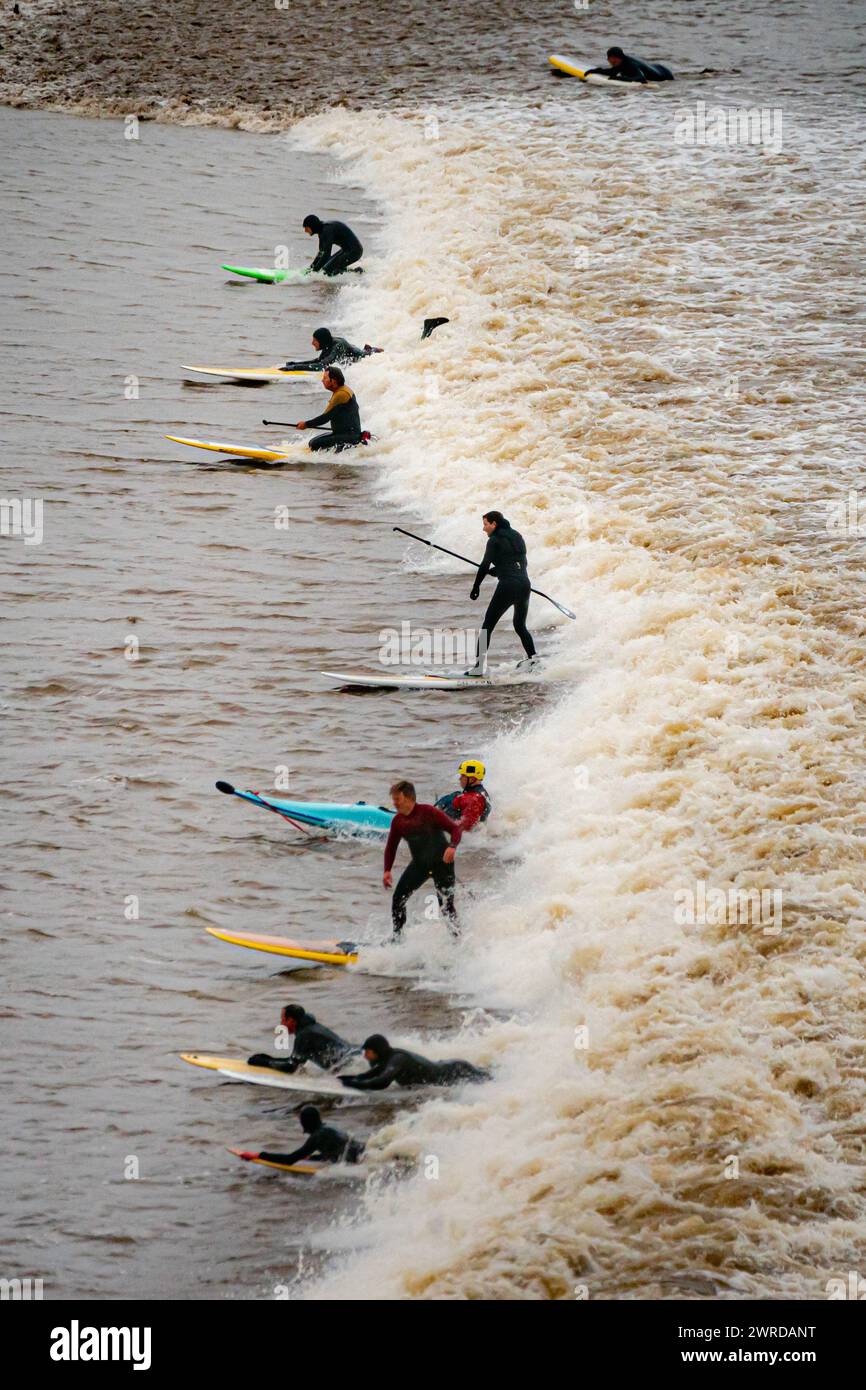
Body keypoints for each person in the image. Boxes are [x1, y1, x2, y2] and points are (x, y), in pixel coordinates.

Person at [383, 779, 462, 936]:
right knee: (398, 899)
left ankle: (457, 940)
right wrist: (387, 870)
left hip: (442, 864)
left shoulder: (428, 812)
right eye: (393, 799)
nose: (394, 803)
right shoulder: (398, 821)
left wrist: (452, 846)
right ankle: (397, 938)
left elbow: (455, 829)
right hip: (419, 865)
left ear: (409, 798)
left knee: (445, 904)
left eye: (397, 799)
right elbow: (391, 846)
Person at [467, 511, 537, 673]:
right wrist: (498, 570)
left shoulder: (494, 540)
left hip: (508, 586)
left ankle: (478, 668)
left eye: (485, 524)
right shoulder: (517, 536)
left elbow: (484, 565)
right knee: (520, 625)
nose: (484, 529)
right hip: (524, 584)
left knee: (487, 626)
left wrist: (476, 586)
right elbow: (520, 562)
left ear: (494, 524)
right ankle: (533, 659)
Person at [340, 1035, 490, 1091]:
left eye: (368, 1051)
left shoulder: (397, 1059)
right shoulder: (387, 1057)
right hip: (447, 1067)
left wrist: (355, 1085)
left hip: (455, 1071)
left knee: (490, 1082)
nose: (365, 1055)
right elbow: (375, 1072)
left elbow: (383, 1081)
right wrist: (352, 1078)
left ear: (377, 1051)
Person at [237, 1105, 365, 1167]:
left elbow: (289, 1160)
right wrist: (310, 1158)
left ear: (305, 1123)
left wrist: (258, 1155)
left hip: (360, 1160)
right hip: (364, 1152)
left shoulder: (317, 1136)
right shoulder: (329, 1127)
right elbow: (335, 1152)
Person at [247, 1004, 359, 1074]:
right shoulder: (312, 1028)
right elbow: (296, 1061)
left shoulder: (304, 1035)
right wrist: (270, 1058)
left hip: (351, 1066)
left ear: (291, 1020)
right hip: (355, 1058)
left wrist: (264, 1062)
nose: (281, 1023)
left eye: (282, 1020)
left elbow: (290, 1067)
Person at [294, 366, 365, 452]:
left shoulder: (341, 394)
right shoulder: (343, 389)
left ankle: (338, 452)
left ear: (334, 381)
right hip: (348, 434)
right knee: (313, 442)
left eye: (325, 378)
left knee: (314, 444)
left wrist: (306, 424)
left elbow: (325, 418)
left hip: (349, 437)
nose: (322, 380)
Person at [283, 326, 380, 373]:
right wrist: (295, 364)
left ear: (322, 340)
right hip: (351, 350)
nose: (312, 343)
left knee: (368, 353)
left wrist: (294, 368)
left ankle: (371, 350)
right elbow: (319, 361)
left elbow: (321, 366)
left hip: (362, 357)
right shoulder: (328, 344)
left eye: (315, 340)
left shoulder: (337, 346)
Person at [435, 759, 492, 830]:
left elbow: (466, 826)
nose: (460, 779)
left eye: (463, 776)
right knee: (455, 795)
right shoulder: (479, 793)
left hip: (460, 834)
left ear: (472, 778)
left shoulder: (474, 799)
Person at [586, 46, 674, 83]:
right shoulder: (620, 62)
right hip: (655, 67)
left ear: (619, 58)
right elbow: (611, 72)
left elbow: (641, 79)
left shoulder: (630, 64)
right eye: (610, 61)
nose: (612, 63)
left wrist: (620, 79)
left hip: (663, 75)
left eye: (614, 61)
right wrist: (594, 71)